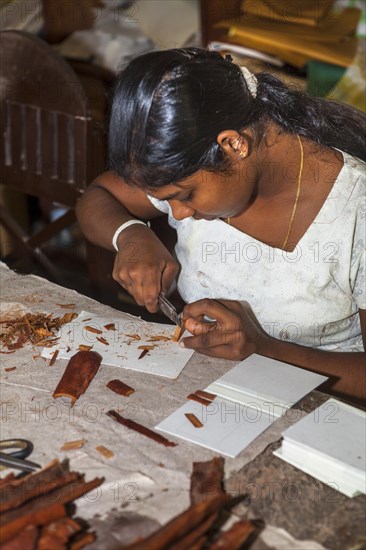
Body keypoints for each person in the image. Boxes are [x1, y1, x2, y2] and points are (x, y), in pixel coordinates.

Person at [76, 48, 366, 404]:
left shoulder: (355, 212)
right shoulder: (192, 163)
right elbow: (98, 195)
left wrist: (266, 349)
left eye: (185, 195)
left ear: (233, 145)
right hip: (207, 395)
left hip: (322, 415)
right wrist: (130, 236)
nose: (177, 213)